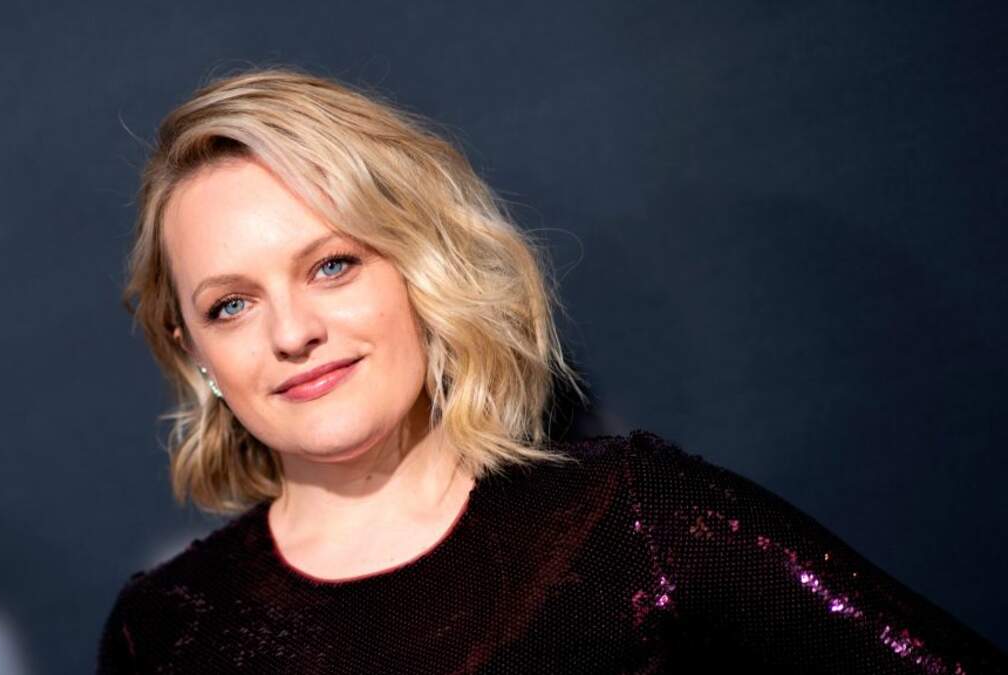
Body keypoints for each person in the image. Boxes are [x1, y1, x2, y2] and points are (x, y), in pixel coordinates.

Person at [96, 67, 1007, 673]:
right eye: (231, 304)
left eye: (332, 265)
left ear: (420, 269)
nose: (293, 331)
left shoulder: (633, 521)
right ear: (193, 349)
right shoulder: (166, 631)